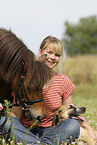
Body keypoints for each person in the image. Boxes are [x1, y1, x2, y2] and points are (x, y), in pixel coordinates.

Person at [0, 36, 80, 144]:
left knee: (73, 125)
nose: (52, 57)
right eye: (49, 52)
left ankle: (33, 143)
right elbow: (16, 114)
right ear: (40, 52)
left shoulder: (64, 81)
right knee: (5, 122)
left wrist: (85, 126)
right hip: (25, 130)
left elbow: (68, 113)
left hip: (52, 132)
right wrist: (7, 117)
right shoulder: (25, 79)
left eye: (57, 55)